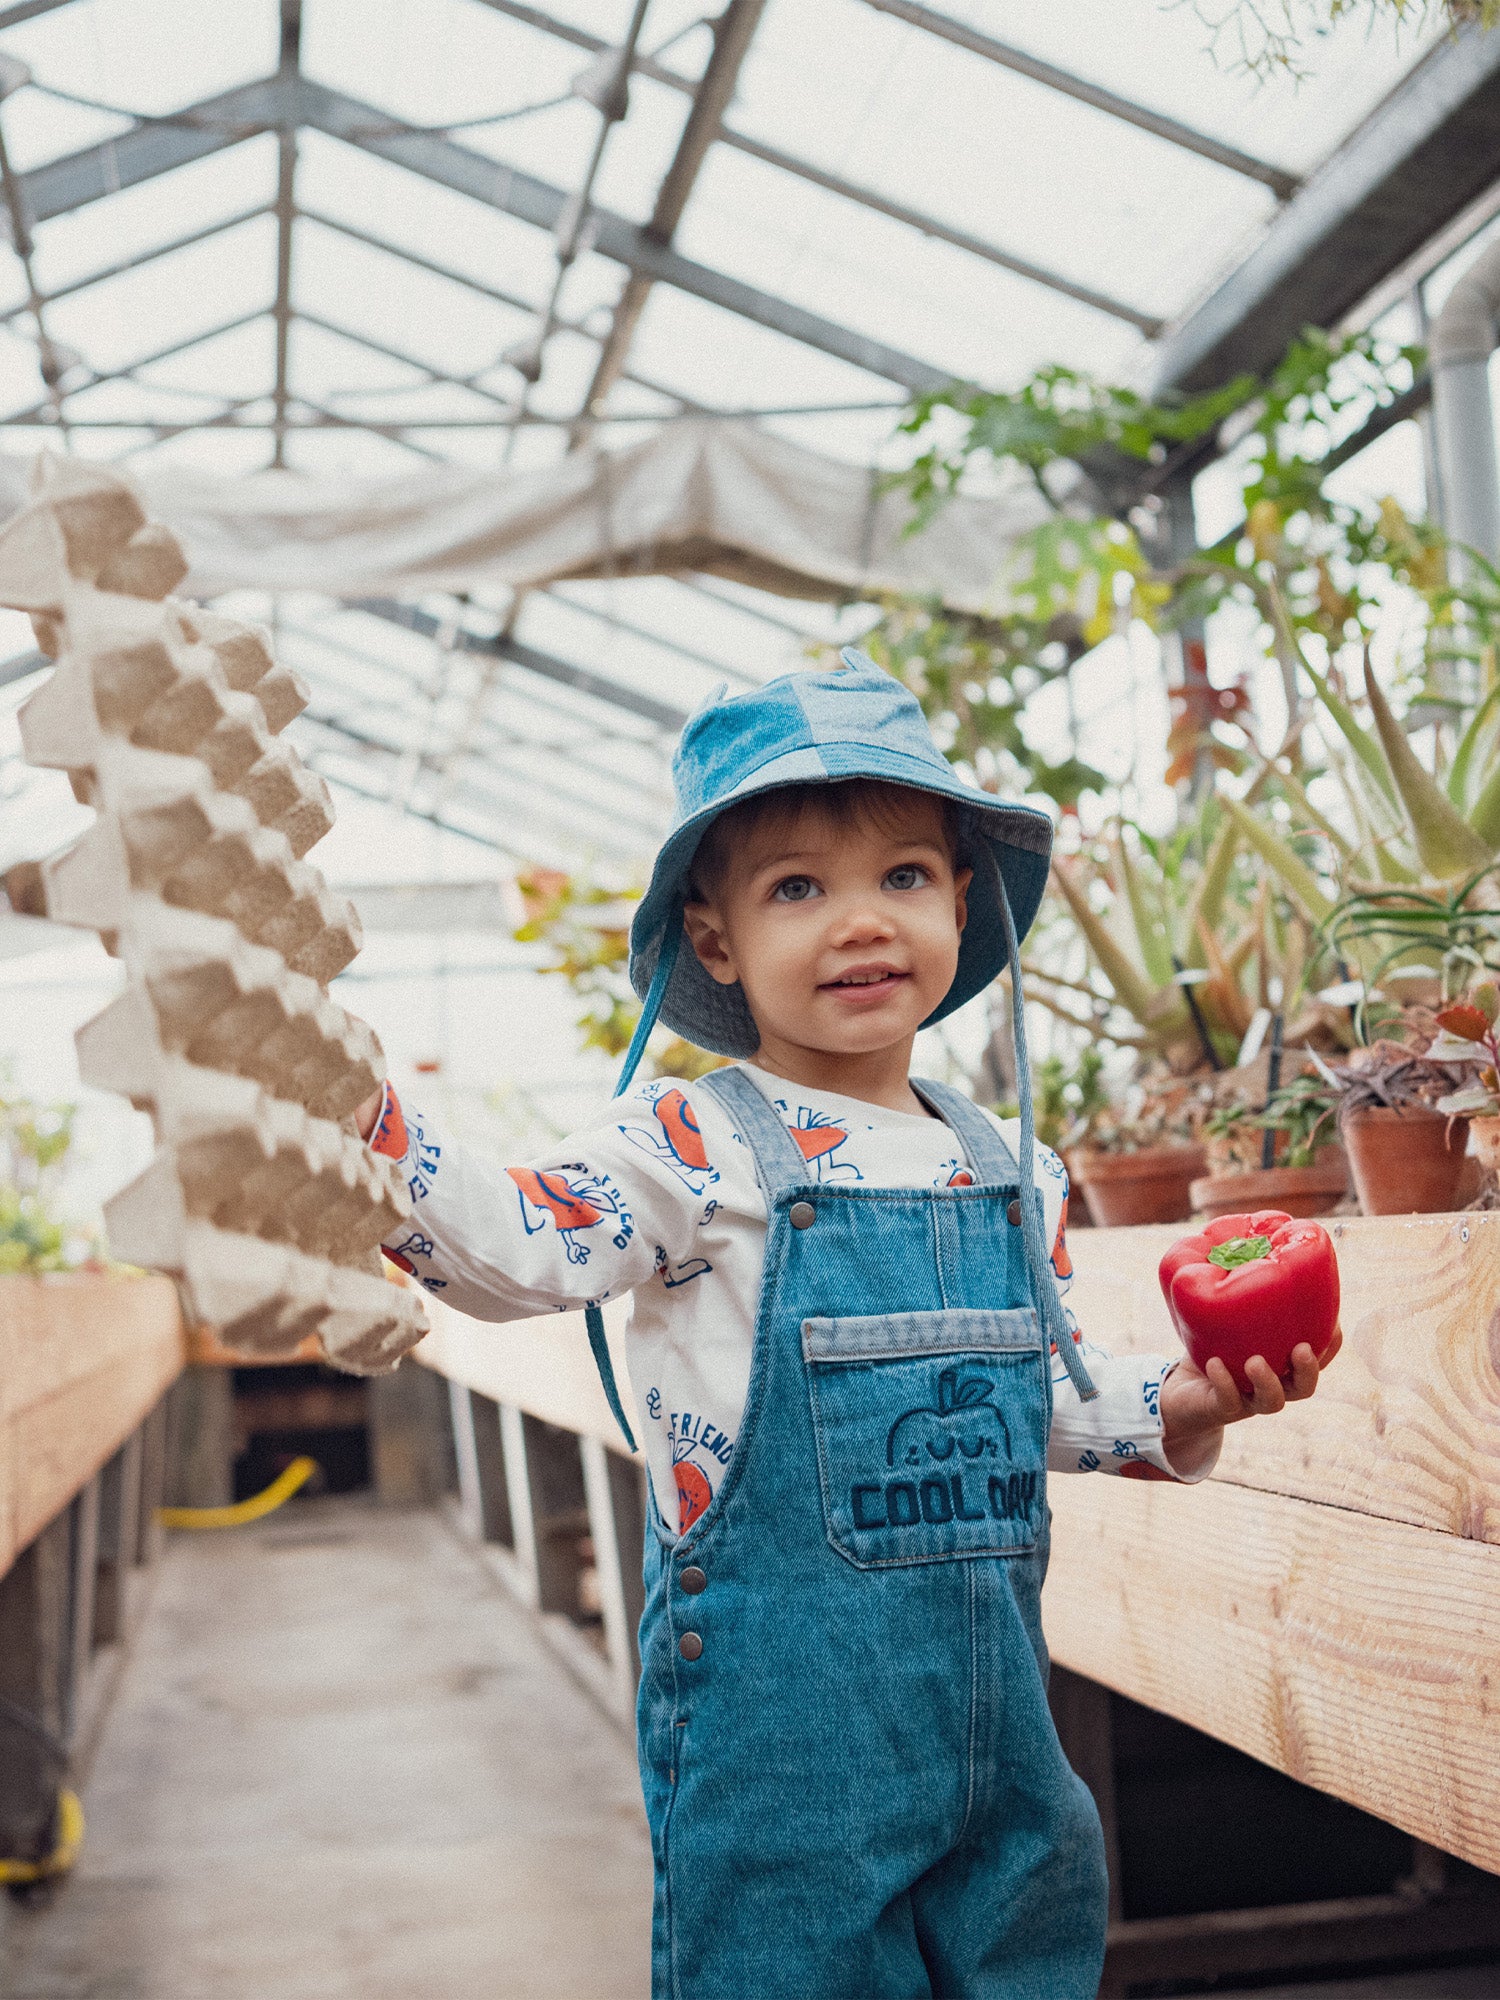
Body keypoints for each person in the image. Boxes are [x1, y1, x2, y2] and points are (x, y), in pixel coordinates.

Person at [353, 655, 1338, 2000]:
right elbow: (521, 1246)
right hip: (785, 1754)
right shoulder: (694, 1143)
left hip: (1000, 1741)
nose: (862, 921)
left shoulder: (1006, 1161)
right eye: (798, 887)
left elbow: (1027, 1391)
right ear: (716, 939)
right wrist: (375, 1132)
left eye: (906, 878)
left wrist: (1189, 1405)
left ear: (961, 900)